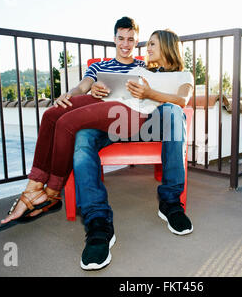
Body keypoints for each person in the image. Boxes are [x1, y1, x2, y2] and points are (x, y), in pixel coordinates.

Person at [0, 17, 146, 231]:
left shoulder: (144, 67)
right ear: (114, 39)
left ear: (137, 41)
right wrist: (68, 94)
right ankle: (35, 185)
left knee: (66, 122)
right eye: (121, 38)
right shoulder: (100, 67)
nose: (125, 44)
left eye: (131, 39)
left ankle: (52, 192)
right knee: (50, 115)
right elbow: (82, 88)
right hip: (96, 114)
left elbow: (150, 96)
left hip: (124, 117)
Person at [75, 29, 194, 271]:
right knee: (83, 136)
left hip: (154, 126)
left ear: (168, 47)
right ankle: (98, 222)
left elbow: (183, 101)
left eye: (152, 44)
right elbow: (118, 94)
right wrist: (98, 91)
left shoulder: (185, 75)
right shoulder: (139, 71)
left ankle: (170, 203)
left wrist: (150, 93)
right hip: (121, 122)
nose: (146, 48)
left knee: (173, 111)